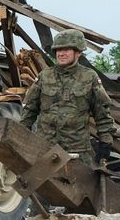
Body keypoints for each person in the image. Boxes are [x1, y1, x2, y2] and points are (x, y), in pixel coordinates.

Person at [20, 29, 115, 167]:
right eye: (58, 50)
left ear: (78, 52)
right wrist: (22, 135)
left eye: (66, 49)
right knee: (42, 187)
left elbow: (102, 114)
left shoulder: (89, 77)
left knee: (80, 188)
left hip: (77, 152)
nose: (61, 53)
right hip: (45, 148)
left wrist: (105, 142)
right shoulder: (45, 76)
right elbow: (29, 109)